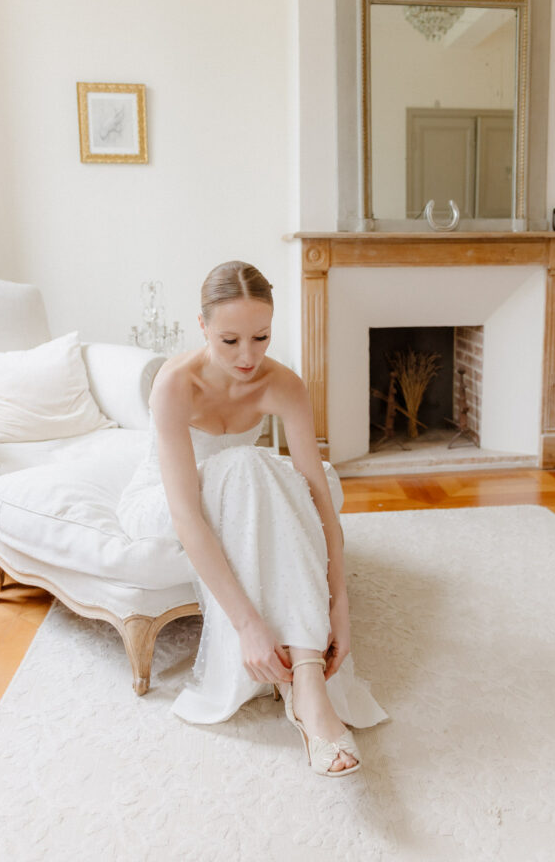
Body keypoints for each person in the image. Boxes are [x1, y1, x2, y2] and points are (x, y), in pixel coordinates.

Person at [117, 260, 388, 777]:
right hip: (164, 501)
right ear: (202, 327)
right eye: (229, 341)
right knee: (247, 464)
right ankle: (309, 693)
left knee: (319, 480)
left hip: (233, 489)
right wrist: (248, 625)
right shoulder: (174, 384)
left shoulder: (284, 384)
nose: (247, 357)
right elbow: (186, 514)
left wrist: (342, 603)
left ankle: (304, 675)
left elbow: (318, 498)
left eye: (261, 337)